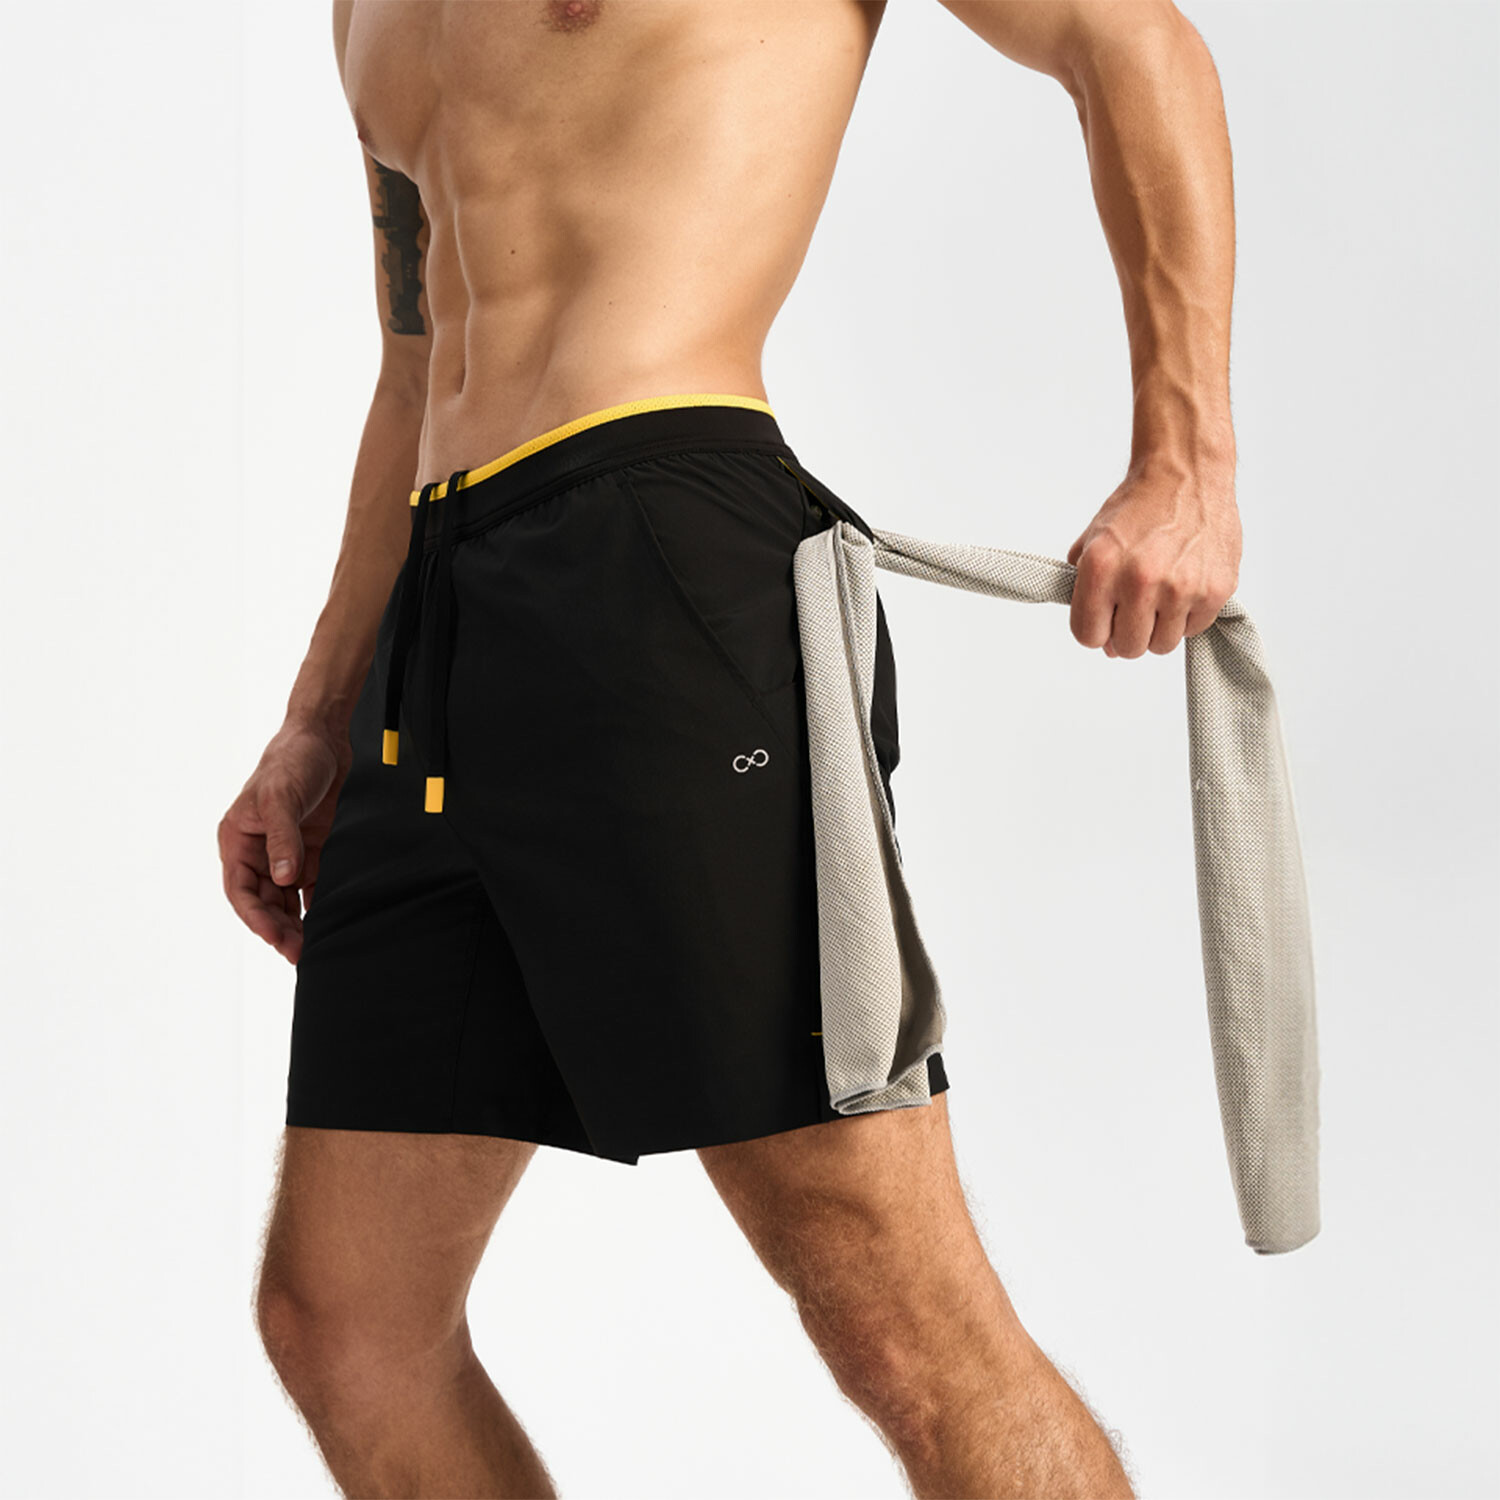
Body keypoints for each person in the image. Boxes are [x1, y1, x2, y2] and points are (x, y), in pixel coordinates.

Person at [218, 1, 1241, 1494]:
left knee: (897, 1317)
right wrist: (318, 716)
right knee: (345, 1323)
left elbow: (1127, 40)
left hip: (663, 557)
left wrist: (1185, 464)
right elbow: (415, 359)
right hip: (438, 620)